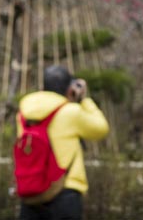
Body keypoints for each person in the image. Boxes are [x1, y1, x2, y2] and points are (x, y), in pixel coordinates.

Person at [16, 65, 110, 220]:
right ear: (69, 88)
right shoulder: (71, 112)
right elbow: (101, 129)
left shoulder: (24, 111)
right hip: (64, 192)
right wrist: (83, 100)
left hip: (31, 189)